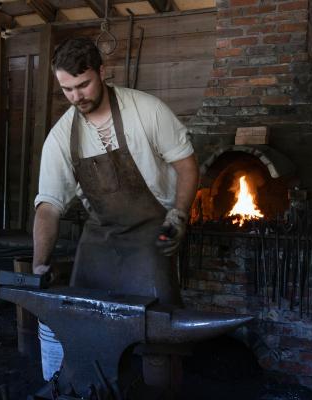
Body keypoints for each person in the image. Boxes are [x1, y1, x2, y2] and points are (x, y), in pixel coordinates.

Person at [32, 37, 198, 306]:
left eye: (83, 85)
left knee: (156, 321)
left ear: (101, 71)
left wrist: (179, 215)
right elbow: (49, 206)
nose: (77, 97)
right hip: (100, 238)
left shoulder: (147, 110)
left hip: (151, 233)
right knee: (85, 318)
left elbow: (186, 165)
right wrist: (40, 264)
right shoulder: (61, 137)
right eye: (67, 89)